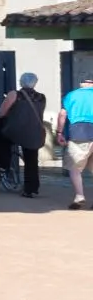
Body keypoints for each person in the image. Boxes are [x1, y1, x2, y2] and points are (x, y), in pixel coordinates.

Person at [0, 73, 46, 198]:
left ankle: (2, 166)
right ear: (35, 83)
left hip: (15, 130)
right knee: (32, 160)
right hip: (34, 132)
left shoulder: (14, 94)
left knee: (1, 141)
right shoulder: (42, 97)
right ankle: (31, 188)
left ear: (21, 82)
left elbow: (2, 112)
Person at [54, 75, 93, 210]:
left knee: (75, 167)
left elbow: (63, 114)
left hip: (79, 132)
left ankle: (79, 196)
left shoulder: (71, 95)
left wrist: (59, 133)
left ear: (82, 84)